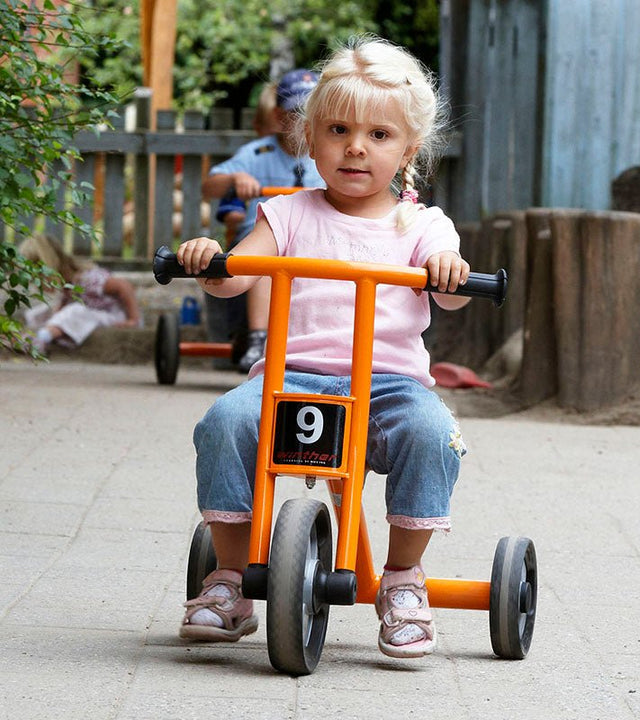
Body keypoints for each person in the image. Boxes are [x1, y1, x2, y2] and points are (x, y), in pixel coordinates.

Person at [177, 36, 471, 659]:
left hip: (387, 384)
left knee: (432, 433)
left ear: (409, 149)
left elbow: (452, 296)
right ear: (309, 141)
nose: (357, 147)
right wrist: (212, 260)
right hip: (290, 376)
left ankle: (402, 579)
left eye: (380, 136)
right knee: (224, 421)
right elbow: (237, 273)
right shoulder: (286, 215)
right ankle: (230, 578)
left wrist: (448, 267)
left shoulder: (422, 226)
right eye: (338, 129)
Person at [202, 69, 325, 373]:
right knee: (270, 259)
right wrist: (236, 178)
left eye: (311, 113)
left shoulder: (325, 156)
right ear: (279, 117)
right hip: (259, 237)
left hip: (313, 238)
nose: (302, 122)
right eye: (296, 113)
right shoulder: (257, 153)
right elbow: (209, 187)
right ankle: (259, 338)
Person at [18, 235, 141, 355]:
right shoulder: (67, 282)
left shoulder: (87, 279)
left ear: (50, 266)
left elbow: (124, 286)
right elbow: (64, 304)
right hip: (92, 314)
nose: (35, 283)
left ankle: (41, 338)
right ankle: (33, 336)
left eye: (37, 277)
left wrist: (133, 319)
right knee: (39, 313)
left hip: (115, 316)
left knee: (74, 311)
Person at [215, 82, 281, 247]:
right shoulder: (252, 158)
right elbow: (231, 213)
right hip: (256, 240)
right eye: (275, 135)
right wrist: (236, 215)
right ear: (258, 128)